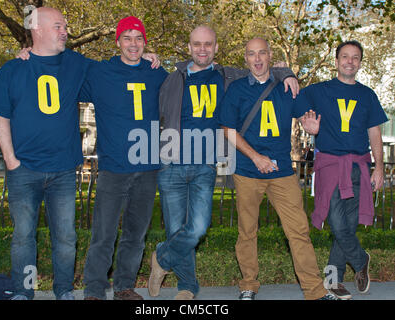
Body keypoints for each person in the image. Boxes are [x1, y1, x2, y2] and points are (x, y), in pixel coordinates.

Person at [148, 26, 299, 300]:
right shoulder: (171, 78)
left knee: (197, 228)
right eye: (197, 44)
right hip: (171, 163)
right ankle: (187, 287)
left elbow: (265, 70)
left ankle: (161, 257)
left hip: (205, 163)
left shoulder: (230, 76)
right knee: (175, 229)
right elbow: (145, 79)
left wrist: (286, 72)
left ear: (216, 47)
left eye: (208, 44)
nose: (202, 49)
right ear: (189, 46)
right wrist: (148, 56)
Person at [0, 7, 90, 300]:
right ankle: (23, 291)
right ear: (37, 29)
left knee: (65, 238)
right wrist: (12, 162)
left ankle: (64, 291)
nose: (65, 31)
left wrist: (145, 59)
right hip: (24, 170)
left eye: (65, 26)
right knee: (23, 238)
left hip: (64, 170)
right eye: (58, 26)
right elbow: (1, 119)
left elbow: (114, 72)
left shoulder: (76, 64)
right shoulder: (13, 69)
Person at [218, 37, 336, 300]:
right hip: (247, 171)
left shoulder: (286, 87)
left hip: (282, 172)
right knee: (247, 231)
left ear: (270, 55)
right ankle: (248, 285)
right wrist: (256, 157)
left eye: (262, 53)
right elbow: (227, 129)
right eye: (251, 54)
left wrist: (311, 126)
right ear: (246, 58)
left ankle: (315, 291)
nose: (257, 59)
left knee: (299, 231)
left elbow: (307, 114)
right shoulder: (236, 89)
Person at [80, 16, 169, 300]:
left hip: (147, 167)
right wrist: (27, 52)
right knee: (104, 233)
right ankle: (94, 289)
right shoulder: (99, 72)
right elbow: (61, 72)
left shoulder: (157, 72)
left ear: (145, 42)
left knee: (135, 234)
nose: (133, 44)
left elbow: (186, 88)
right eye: (127, 38)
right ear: (117, 41)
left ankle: (124, 286)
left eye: (139, 38)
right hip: (113, 166)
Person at [296, 40, 388, 300]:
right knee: (337, 224)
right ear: (336, 61)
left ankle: (332, 280)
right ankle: (360, 260)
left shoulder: (368, 95)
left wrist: (378, 167)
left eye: (355, 57)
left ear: (359, 63)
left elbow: (375, 133)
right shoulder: (319, 90)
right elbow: (294, 99)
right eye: (345, 56)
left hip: (359, 166)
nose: (350, 61)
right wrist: (306, 123)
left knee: (346, 225)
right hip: (330, 166)